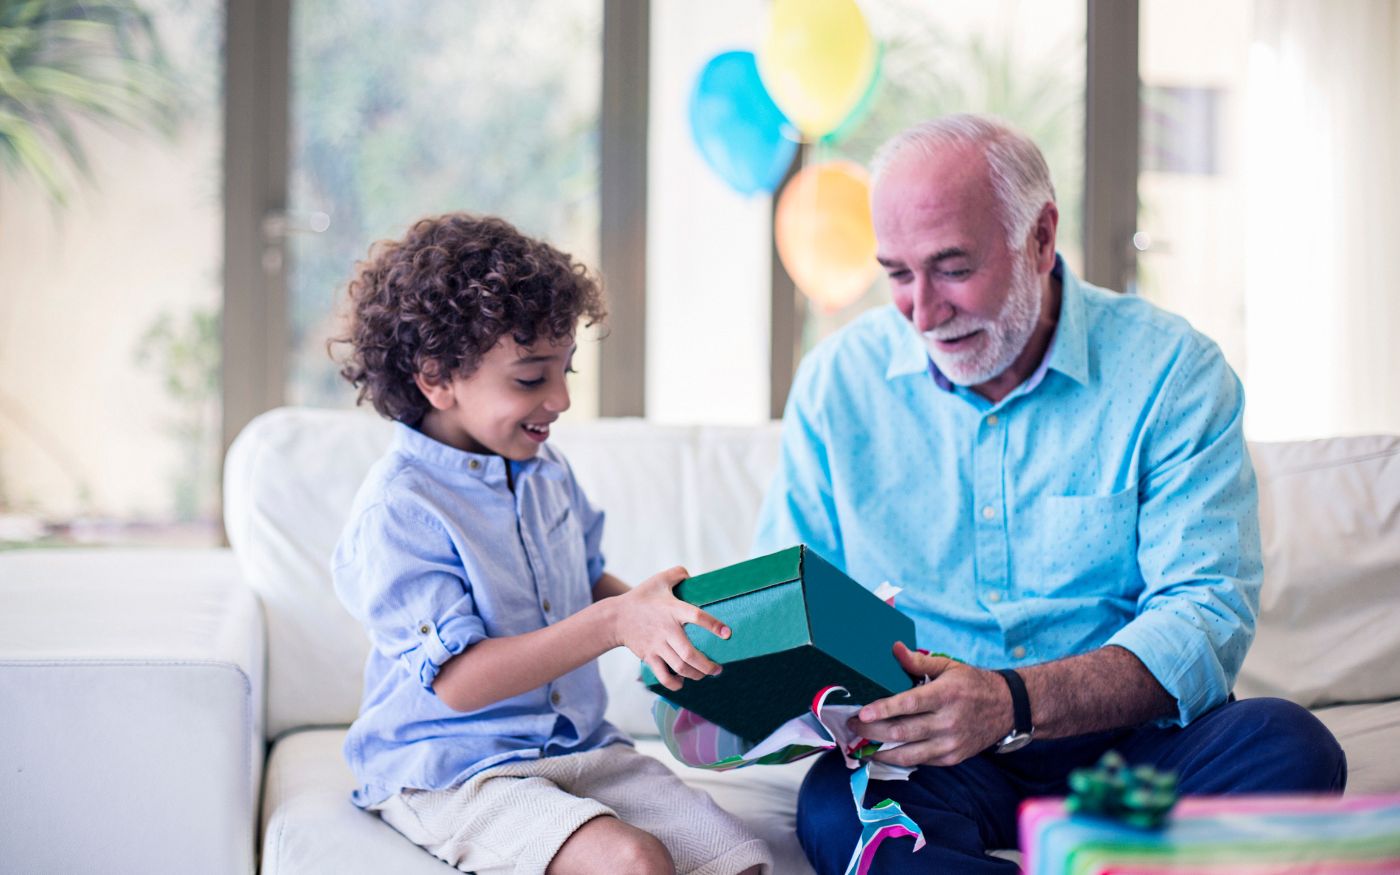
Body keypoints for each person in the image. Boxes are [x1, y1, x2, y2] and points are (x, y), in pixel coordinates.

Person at [753, 115, 1346, 873]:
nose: (924, 313)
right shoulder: (839, 385)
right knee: (840, 805)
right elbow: (793, 598)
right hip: (936, 755)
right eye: (898, 274)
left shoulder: (1173, 372)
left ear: (1040, 237)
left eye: (953, 267)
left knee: (1288, 748)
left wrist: (1012, 700)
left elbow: (1205, 617)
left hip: (1133, 746)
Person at [332, 213, 772, 875]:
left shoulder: (545, 468)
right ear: (436, 377)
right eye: (532, 377)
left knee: (740, 859)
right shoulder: (400, 507)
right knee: (632, 862)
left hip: (580, 748)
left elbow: (584, 579)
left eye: (565, 369)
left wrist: (672, 622)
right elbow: (459, 681)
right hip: (454, 768)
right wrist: (617, 621)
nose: (562, 398)